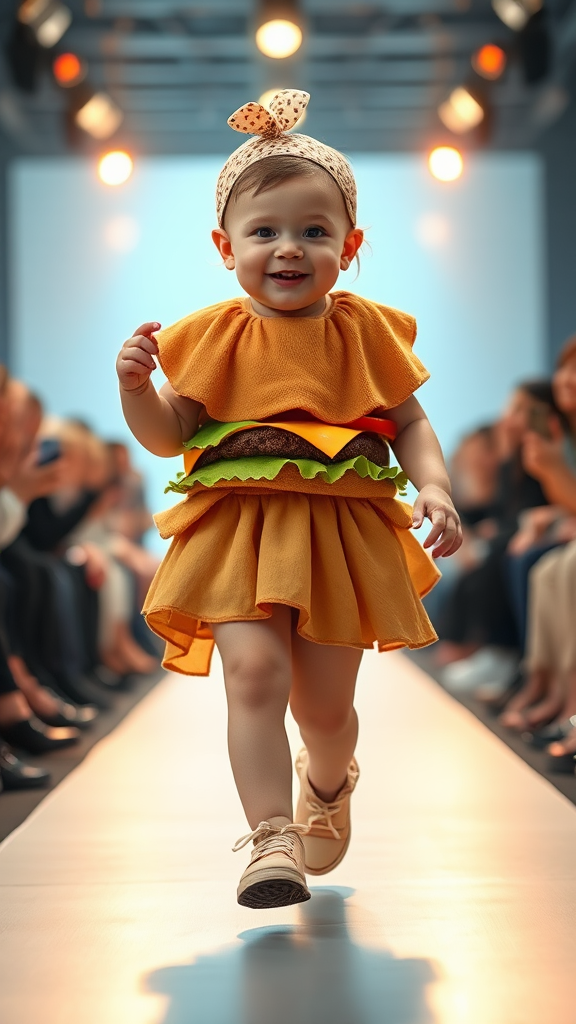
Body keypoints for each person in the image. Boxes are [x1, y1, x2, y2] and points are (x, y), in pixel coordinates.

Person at [116, 90, 462, 909]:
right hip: (238, 525)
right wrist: (137, 387)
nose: (289, 250)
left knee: (324, 706)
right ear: (223, 245)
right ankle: (271, 836)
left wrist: (437, 486)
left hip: (338, 530)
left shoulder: (364, 329)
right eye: (264, 232)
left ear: (352, 244)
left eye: (314, 231)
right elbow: (171, 434)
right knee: (256, 676)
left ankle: (330, 780)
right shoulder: (211, 335)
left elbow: (409, 421)